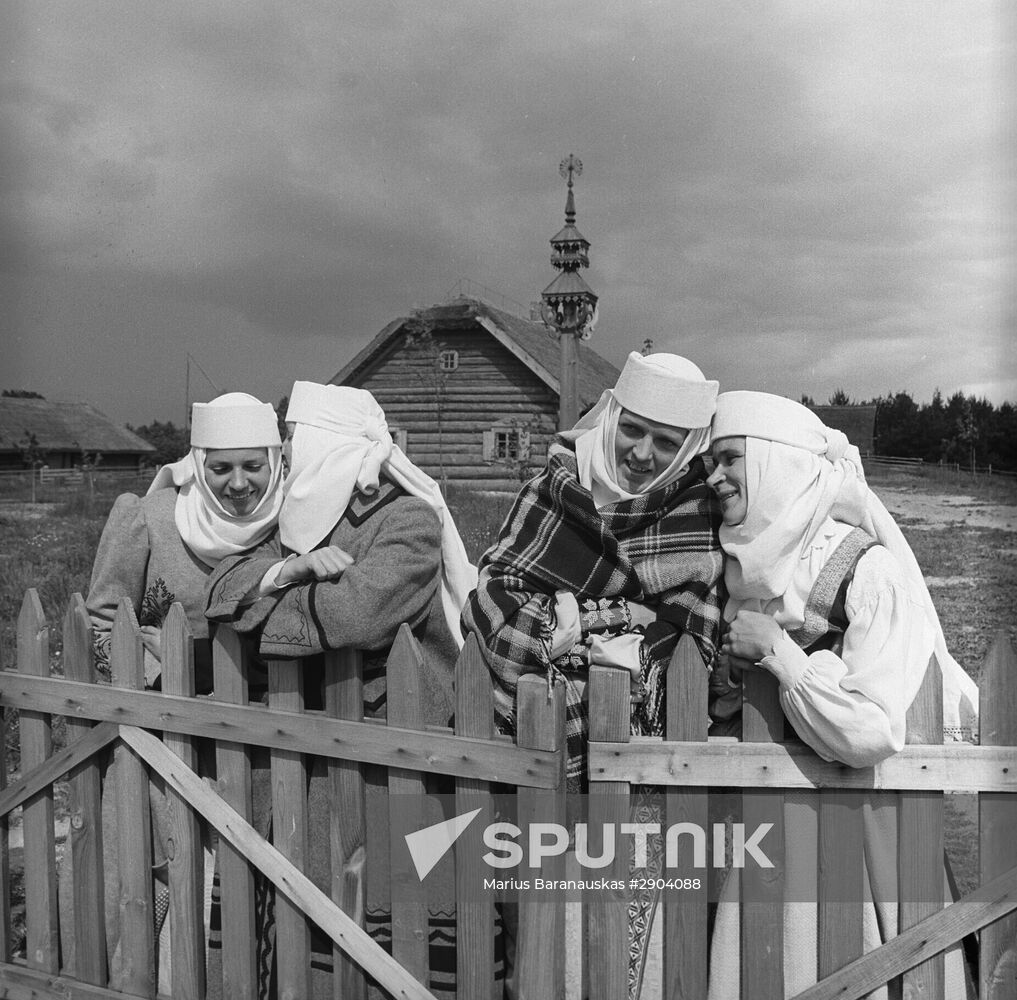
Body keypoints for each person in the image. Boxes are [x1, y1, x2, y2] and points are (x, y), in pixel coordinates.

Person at [204, 380, 481, 999]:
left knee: (391, 929)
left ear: (327, 445)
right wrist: (289, 569)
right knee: (298, 924)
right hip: (302, 757)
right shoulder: (293, 523)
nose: (290, 454)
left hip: (391, 760)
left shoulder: (406, 520)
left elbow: (356, 613)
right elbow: (221, 589)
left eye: (297, 440)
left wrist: (262, 607)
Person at [462, 351, 725, 1000]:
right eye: (632, 429)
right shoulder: (551, 488)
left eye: (666, 441)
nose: (642, 452)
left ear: (689, 445)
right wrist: (613, 618)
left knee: (627, 950)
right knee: (536, 935)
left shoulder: (695, 515)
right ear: (610, 415)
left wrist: (573, 624)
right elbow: (491, 604)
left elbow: (689, 645)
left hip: (636, 776)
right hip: (528, 747)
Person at [704, 390, 978, 999]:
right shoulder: (747, 572)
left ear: (776, 462)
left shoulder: (868, 573)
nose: (714, 477)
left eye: (729, 459)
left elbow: (870, 730)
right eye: (711, 462)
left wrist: (779, 654)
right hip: (765, 832)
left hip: (861, 833)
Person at [70, 392, 284, 990]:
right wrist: (155, 661)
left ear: (275, 461)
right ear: (197, 463)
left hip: (257, 746)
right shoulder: (150, 517)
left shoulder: (295, 525)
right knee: (150, 881)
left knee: (238, 889)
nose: (238, 483)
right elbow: (102, 615)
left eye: (253, 466)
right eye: (221, 467)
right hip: (157, 739)